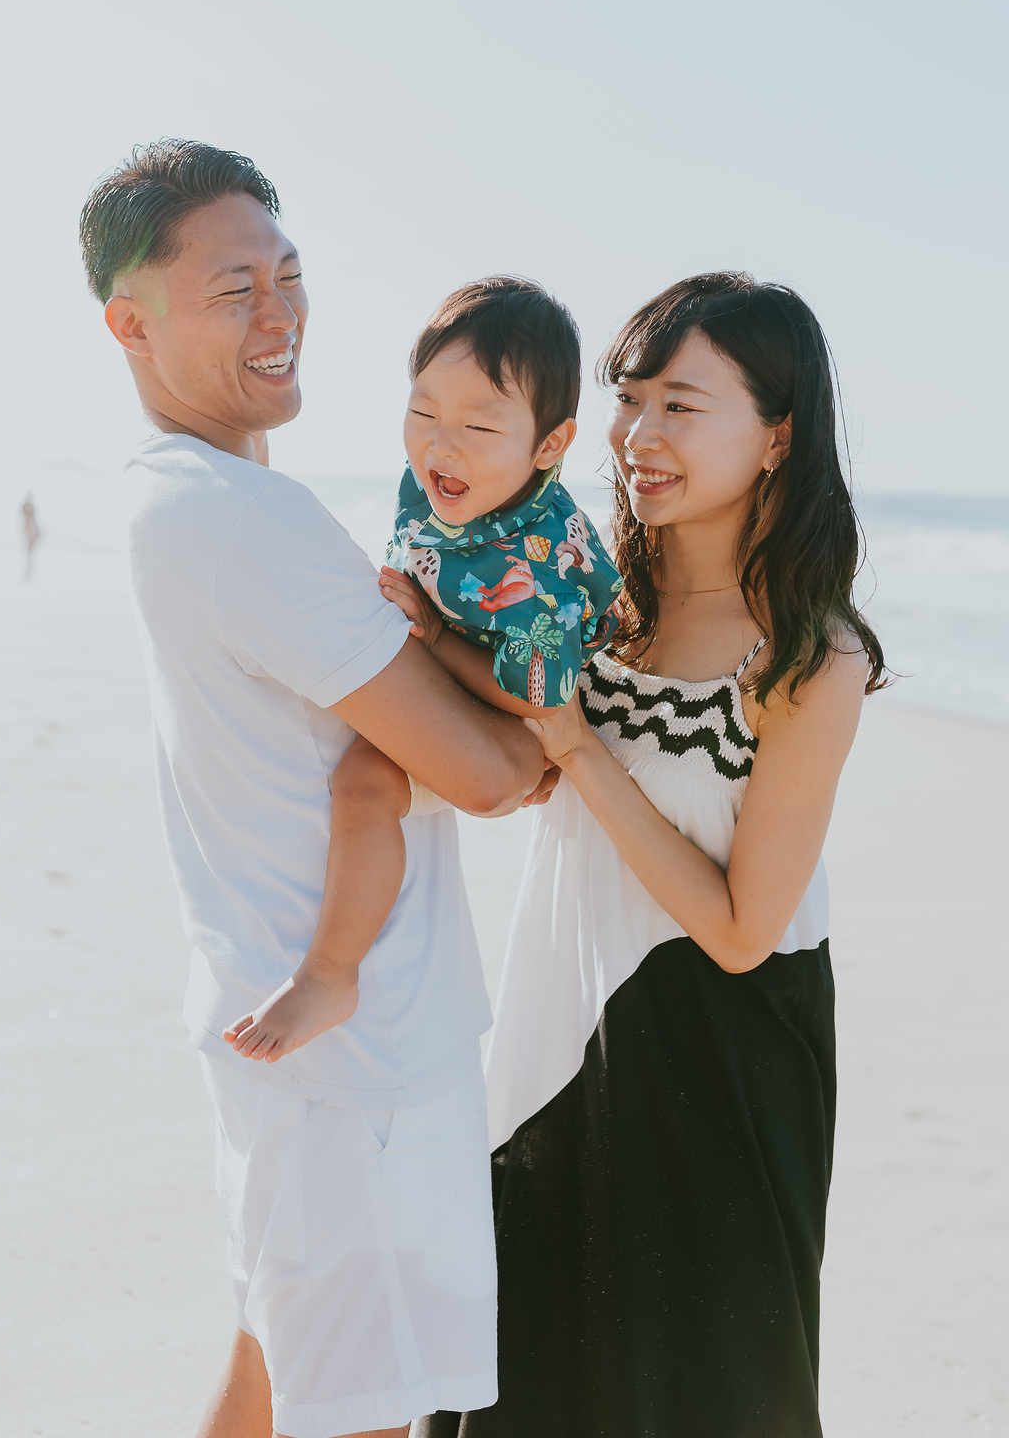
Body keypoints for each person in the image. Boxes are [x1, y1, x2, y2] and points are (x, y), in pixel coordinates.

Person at [78, 140, 549, 1438]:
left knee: (272, 1376)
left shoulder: (170, 500)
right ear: (132, 321)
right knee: (357, 1414)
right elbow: (489, 775)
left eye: (290, 276)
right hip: (360, 1071)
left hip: (282, 1031)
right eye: (235, 290)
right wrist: (534, 739)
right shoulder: (248, 521)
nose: (282, 314)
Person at [415, 273, 886, 1438]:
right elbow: (514, 773)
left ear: (777, 436)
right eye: (631, 400)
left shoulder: (809, 660)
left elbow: (739, 930)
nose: (641, 435)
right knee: (517, 1380)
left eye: (684, 403)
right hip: (553, 1034)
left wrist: (579, 749)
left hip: (721, 1070)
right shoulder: (589, 600)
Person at [223, 278, 622, 1065]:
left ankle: (330, 975)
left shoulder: (532, 563)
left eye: (479, 424)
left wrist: (433, 639)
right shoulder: (454, 480)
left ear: (550, 445)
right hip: (475, 657)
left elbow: (532, 692)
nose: (443, 445)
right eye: (424, 412)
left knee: (363, 782)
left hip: (535, 695)